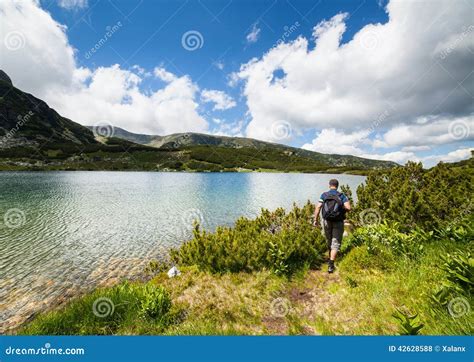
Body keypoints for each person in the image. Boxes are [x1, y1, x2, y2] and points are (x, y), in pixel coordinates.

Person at [313, 179, 351, 273]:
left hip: (326, 220)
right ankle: (331, 264)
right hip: (338, 221)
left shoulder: (324, 195)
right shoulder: (341, 195)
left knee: (329, 239)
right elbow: (348, 208)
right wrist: (341, 208)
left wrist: (315, 220)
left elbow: (318, 207)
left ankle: (330, 256)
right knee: (336, 241)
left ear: (329, 185)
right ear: (337, 186)